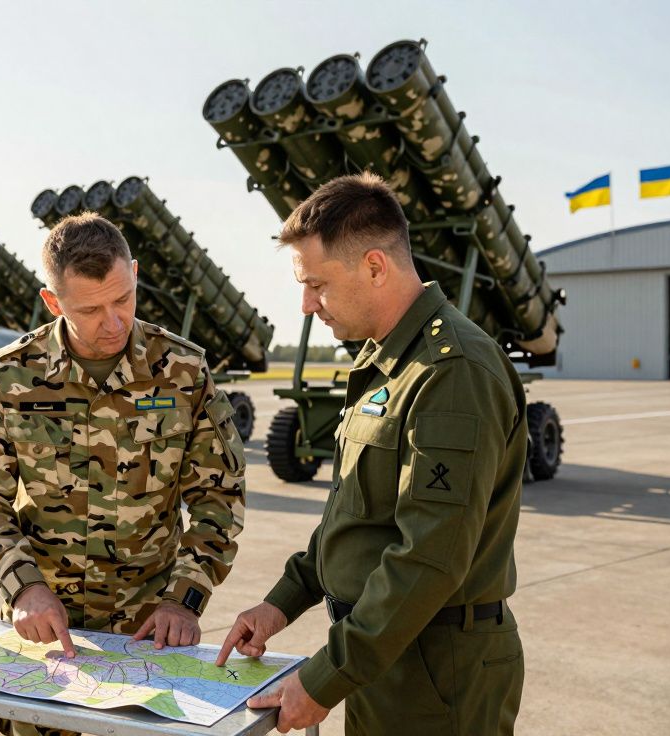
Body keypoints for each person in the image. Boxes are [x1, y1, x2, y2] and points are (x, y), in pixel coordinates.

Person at [216, 173, 526, 735]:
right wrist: (281, 604)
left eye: (318, 285)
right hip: (385, 655)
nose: (308, 305)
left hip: (436, 674)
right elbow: (355, 519)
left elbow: (429, 556)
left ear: (375, 267)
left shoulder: (449, 372)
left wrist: (326, 677)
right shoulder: (386, 362)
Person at [0, 212, 247, 736]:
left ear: (133, 272)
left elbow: (218, 496)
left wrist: (186, 596)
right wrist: (22, 589)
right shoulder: (14, 375)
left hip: (149, 634)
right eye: (90, 309)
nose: (114, 322)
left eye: (124, 299)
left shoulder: (182, 371)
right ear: (53, 302)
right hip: (43, 631)